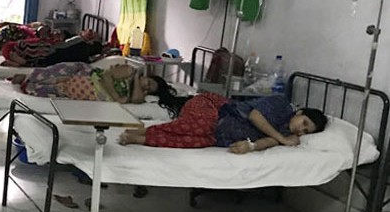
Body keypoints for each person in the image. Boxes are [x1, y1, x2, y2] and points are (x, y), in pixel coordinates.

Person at [118, 91, 327, 153]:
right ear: (299, 111)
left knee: (194, 141)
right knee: (201, 125)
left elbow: (272, 141)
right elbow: (255, 116)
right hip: (216, 109)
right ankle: (142, 131)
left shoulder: (285, 133)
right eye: (305, 122)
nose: (302, 130)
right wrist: (282, 137)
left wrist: (252, 146)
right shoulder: (281, 104)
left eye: (307, 131)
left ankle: (139, 138)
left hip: (221, 135)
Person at [14, 62, 164, 104]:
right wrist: (116, 98)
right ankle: (24, 76)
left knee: (39, 89)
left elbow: (137, 99)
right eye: (149, 83)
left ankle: (26, 82)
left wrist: (139, 84)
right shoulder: (129, 71)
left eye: (148, 90)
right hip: (82, 75)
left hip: (78, 90)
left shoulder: (138, 92)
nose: (146, 87)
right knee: (45, 75)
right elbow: (106, 77)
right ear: (147, 76)